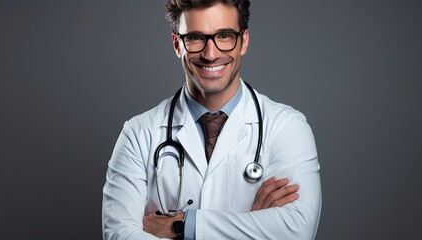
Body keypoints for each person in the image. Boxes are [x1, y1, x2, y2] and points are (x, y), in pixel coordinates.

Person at [102, 0, 321, 239]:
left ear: (243, 41)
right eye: (195, 37)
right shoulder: (138, 133)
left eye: (224, 35)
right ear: (177, 44)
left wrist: (185, 226)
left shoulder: (286, 127)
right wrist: (253, 224)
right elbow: (118, 234)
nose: (211, 54)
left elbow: (297, 229)